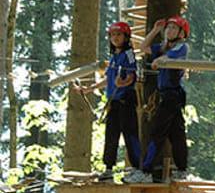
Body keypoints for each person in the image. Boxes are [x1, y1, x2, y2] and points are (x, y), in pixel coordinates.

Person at [124, 16, 191, 183]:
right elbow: (143, 47)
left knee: (157, 133)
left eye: (174, 28)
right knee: (177, 134)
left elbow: (166, 58)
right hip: (167, 96)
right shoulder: (162, 47)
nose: (169, 31)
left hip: (172, 96)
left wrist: (159, 60)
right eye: (168, 28)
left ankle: (146, 171)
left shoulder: (182, 47)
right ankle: (182, 170)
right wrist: (155, 30)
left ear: (182, 33)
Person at [73, 22, 141, 183]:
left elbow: (132, 75)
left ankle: (138, 169)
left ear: (126, 37)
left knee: (130, 134)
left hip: (126, 100)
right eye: (112, 35)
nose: (115, 38)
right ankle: (108, 169)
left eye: (119, 35)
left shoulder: (129, 54)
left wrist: (123, 83)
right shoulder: (113, 58)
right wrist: (89, 89)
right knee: (111, 135)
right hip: (114, 102)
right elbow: (108, 79)